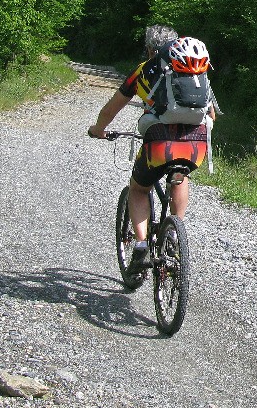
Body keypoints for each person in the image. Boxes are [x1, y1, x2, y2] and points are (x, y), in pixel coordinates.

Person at [88, 25, 218, 279]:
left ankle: (140, 245)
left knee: (139, 188)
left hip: (158, 145)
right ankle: (174, 229)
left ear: (149, 48)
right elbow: (211, 115)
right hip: (196, 146)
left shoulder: (144, 71)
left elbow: (111, 109)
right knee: (180, 174)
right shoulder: (195, 71)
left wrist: (99, 129)